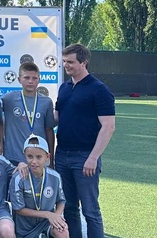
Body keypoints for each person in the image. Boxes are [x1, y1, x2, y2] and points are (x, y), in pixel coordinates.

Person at [55, 43, 115, 238]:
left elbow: (108, 126)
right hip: (62, 155)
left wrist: (93, 157)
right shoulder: (64, 87)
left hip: (85, 156)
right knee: (69, 207)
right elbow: (57, 118)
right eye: (64, 61)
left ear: (84, 62)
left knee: (90, 210)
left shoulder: (99, 89)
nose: (66, 65)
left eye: (70, 62)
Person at [9, 135, 68, 238]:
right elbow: (19, 209)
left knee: (63, 232)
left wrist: (56, 216)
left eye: (39, 157)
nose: (34, 161)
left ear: (47, 157)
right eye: (30, 156)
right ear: (24, 155)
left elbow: (61, 201)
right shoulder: (19, 177)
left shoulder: (55, 177)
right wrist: (47, 214)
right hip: (25, 227)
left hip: (46, 222)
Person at [1, 62, 56, 167]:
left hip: (38, 159)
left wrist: (51, 159)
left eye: (34, 78)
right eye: (26, 78)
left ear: (39, 80)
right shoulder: (9, 99)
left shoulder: (46, 102)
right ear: (19, 79)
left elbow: (49, 130)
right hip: (13, 158)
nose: (30, 81)